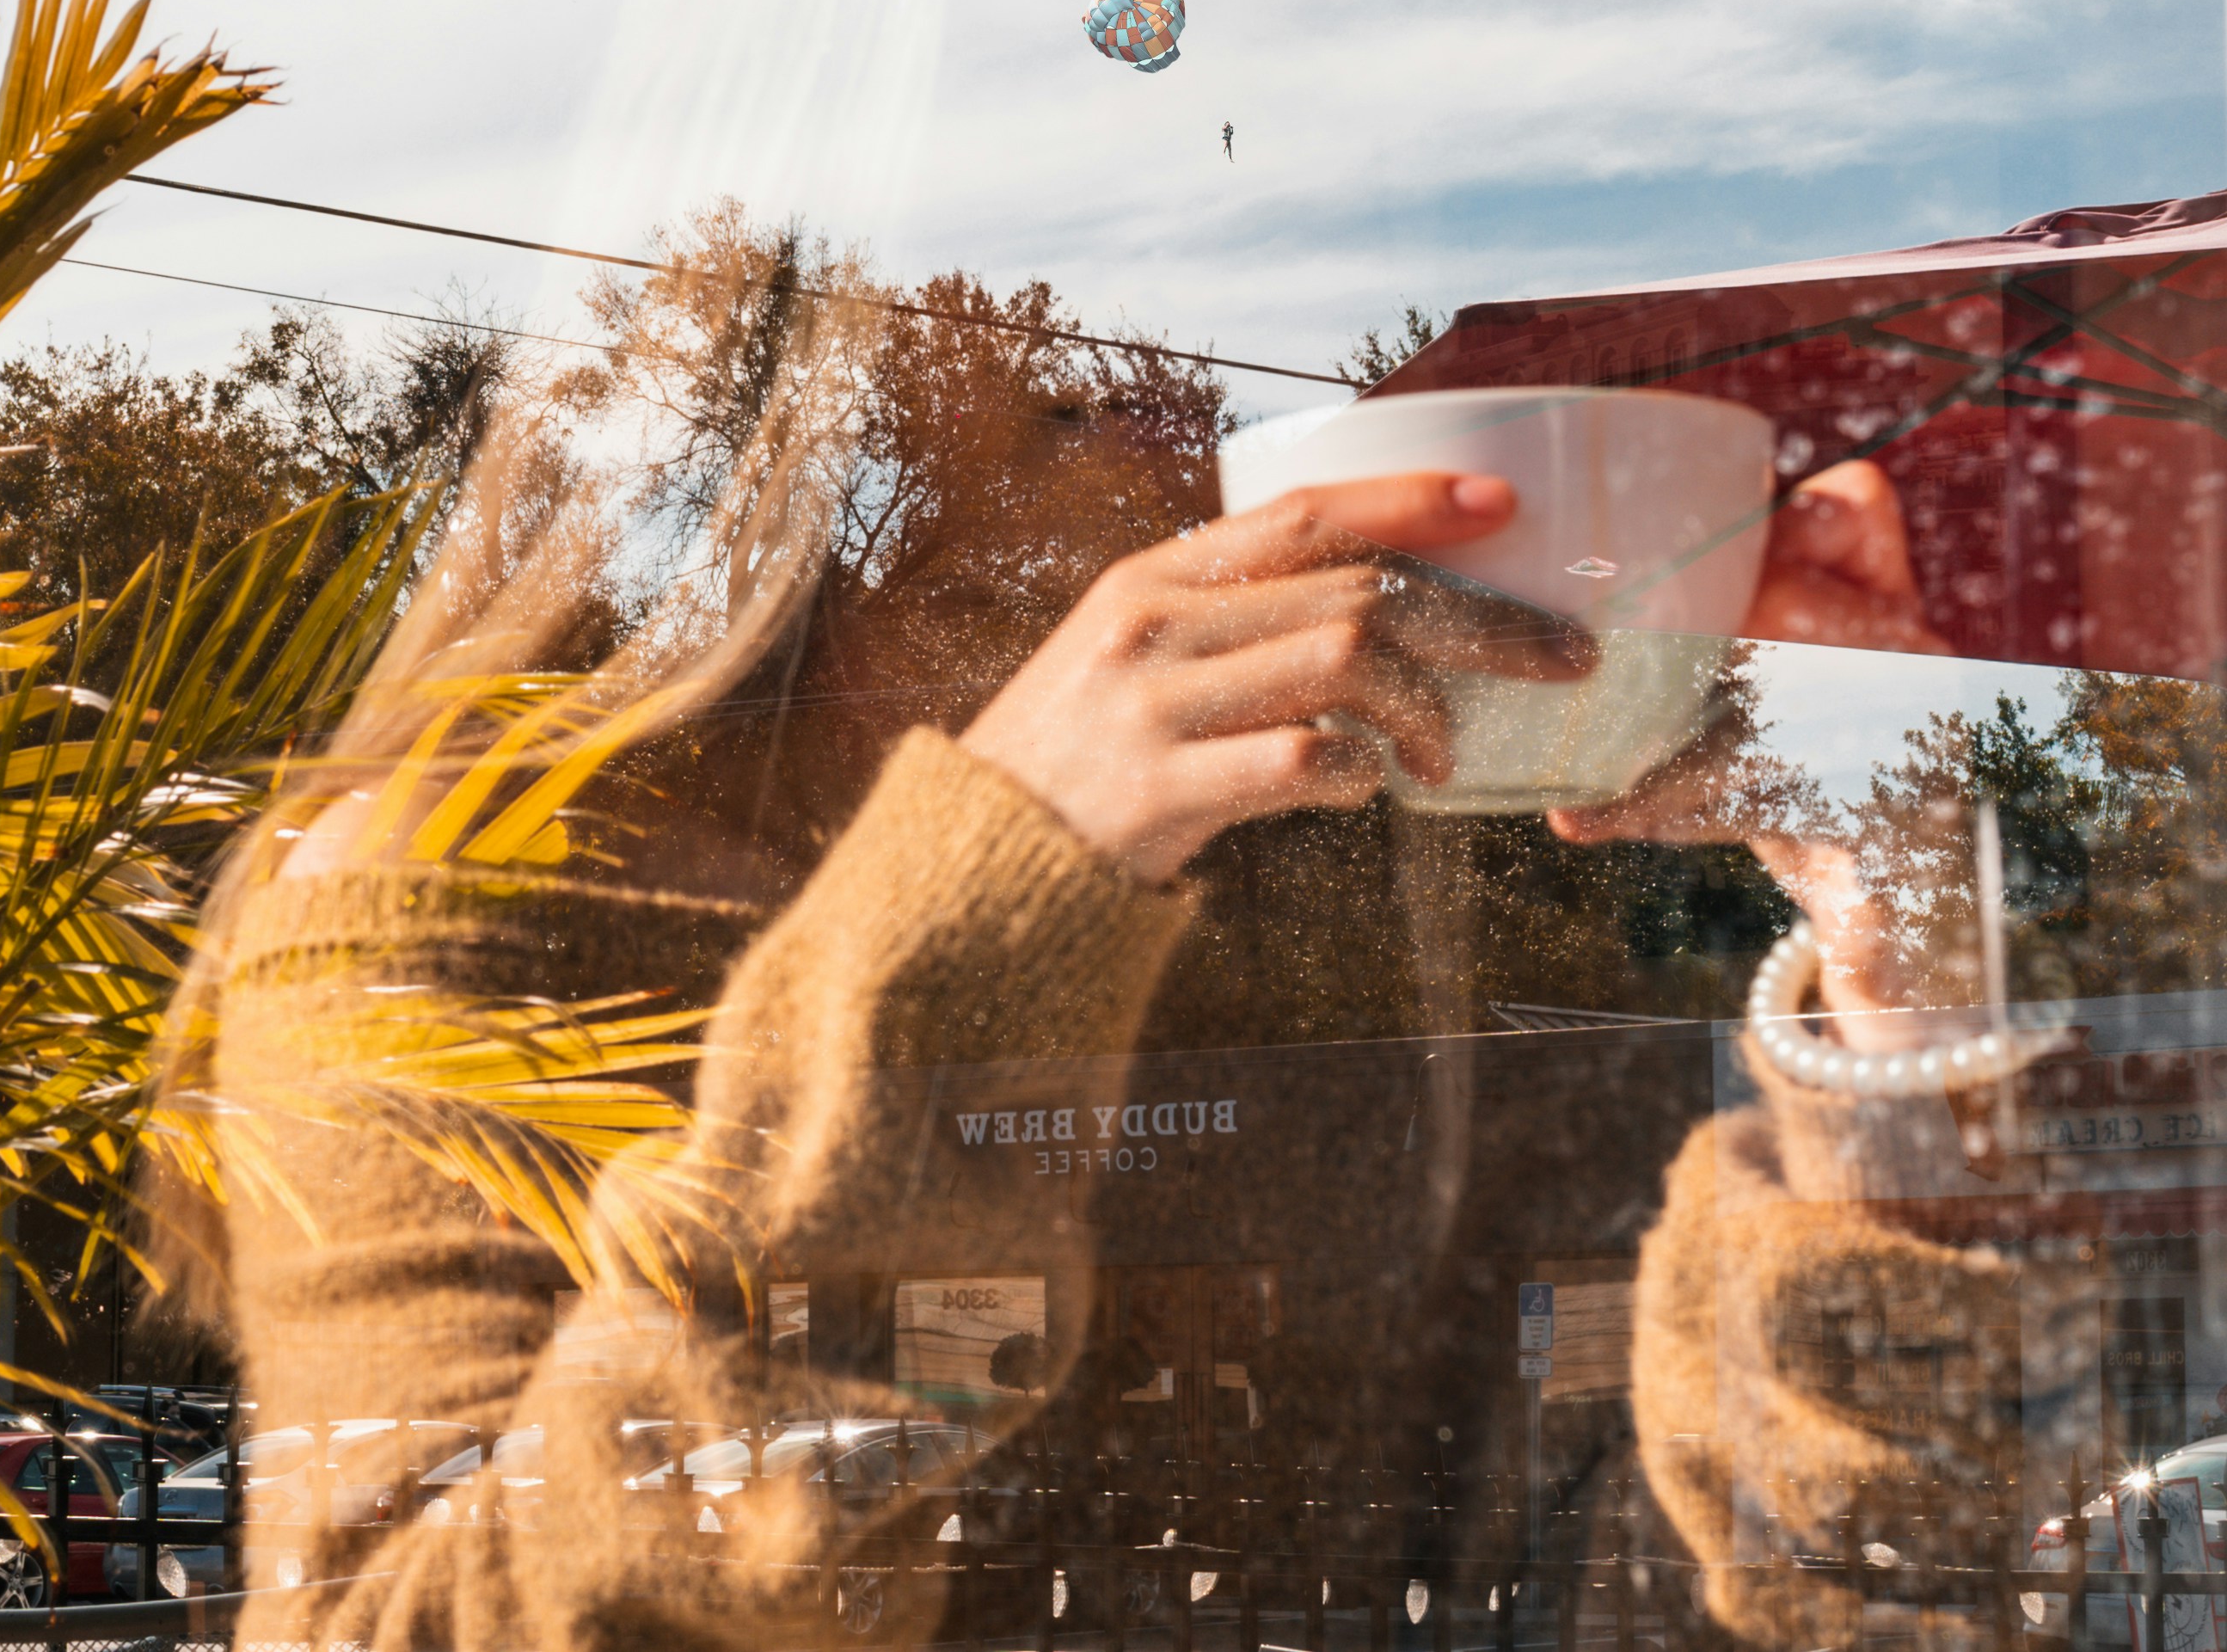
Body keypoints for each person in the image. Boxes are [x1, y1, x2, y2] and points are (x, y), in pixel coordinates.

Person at [186, 442, 1925, 1652]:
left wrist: (1890, 986)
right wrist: (1002, 884)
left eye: (1182, 390)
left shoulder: (1225, 888)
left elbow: (1656, 1592)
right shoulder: (440, 899)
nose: (1181, 455)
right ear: (820, 511)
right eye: (1077, 401)